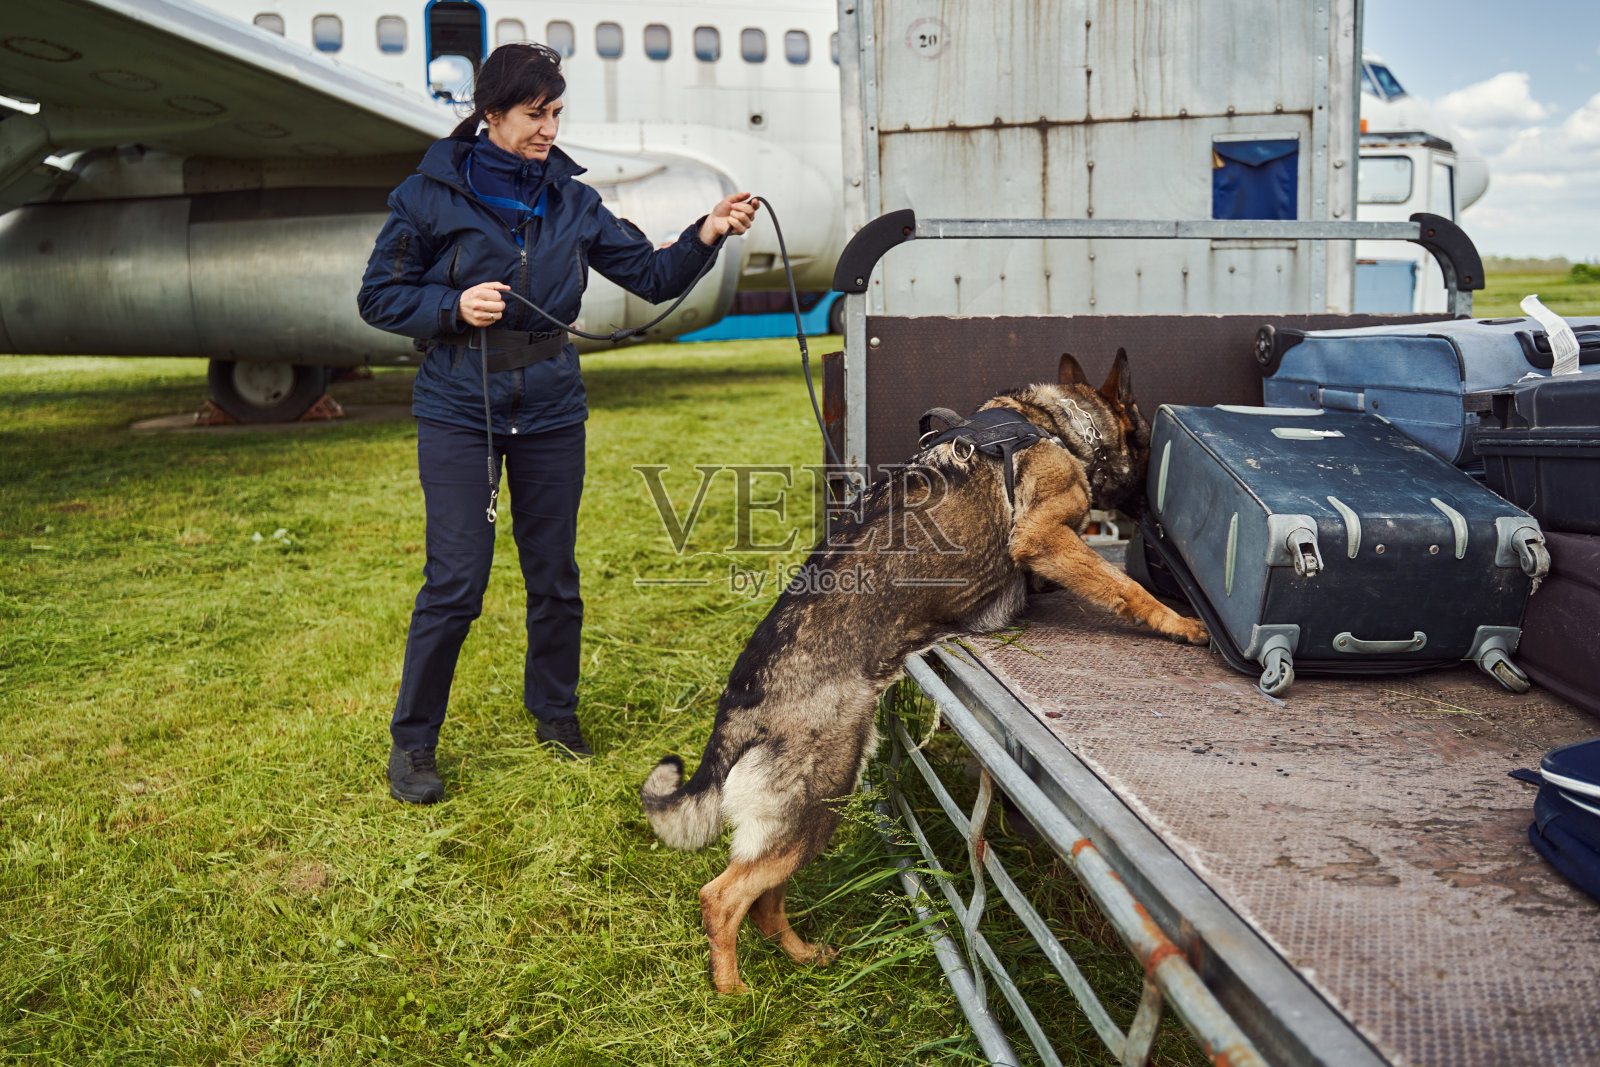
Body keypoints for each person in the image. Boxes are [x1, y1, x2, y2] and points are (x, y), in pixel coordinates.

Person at [357, 43, 758, 804]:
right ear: (492, 113)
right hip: (457, 405)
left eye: (555, 114)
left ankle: (556, 715)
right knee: (456, 580)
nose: (548, 128)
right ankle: (413, 744)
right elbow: (378, 296)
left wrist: (705, 233)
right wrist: (450, 308)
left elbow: (648, 273)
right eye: (535, 115)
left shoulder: (571, 199)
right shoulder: (428, 194)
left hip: (549, 407)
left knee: (556, 577)